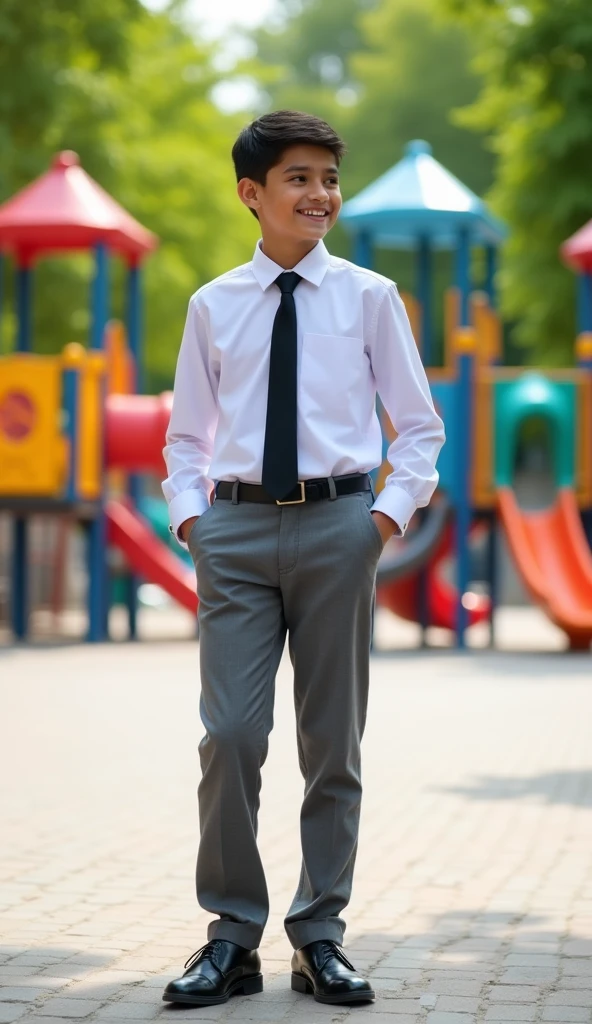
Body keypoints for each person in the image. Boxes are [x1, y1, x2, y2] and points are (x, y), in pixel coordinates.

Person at [161, 109, 445, 1008]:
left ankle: (319, 932)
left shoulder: (368, 298)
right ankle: (230, 937)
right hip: (235, 537)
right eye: (298, 178)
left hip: (339, 529)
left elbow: (421, 429)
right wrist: (194, 524)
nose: (319, 194)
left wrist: (383, 522)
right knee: (232, 737)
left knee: (333, 744)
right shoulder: (213, 305)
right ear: (252, 194)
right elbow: (185, 441)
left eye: (327, 178)